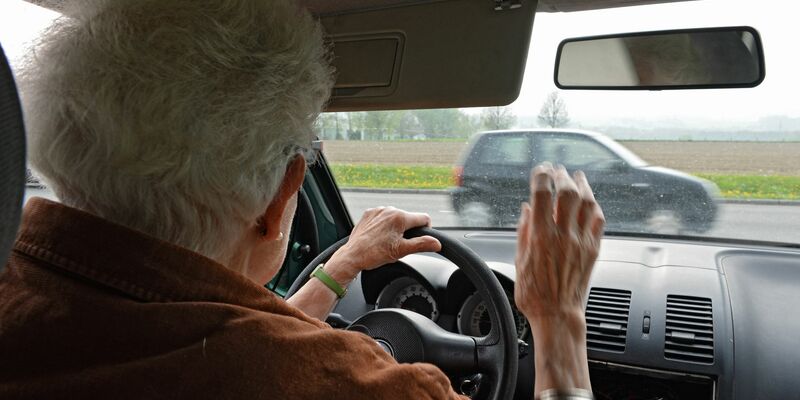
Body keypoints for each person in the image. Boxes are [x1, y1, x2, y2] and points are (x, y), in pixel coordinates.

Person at [0, 0, 604, 399]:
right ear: (280, 196)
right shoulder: (347, 385)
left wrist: (342, 266)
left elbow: (210, 324)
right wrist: (558, 322)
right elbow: (250, 350)